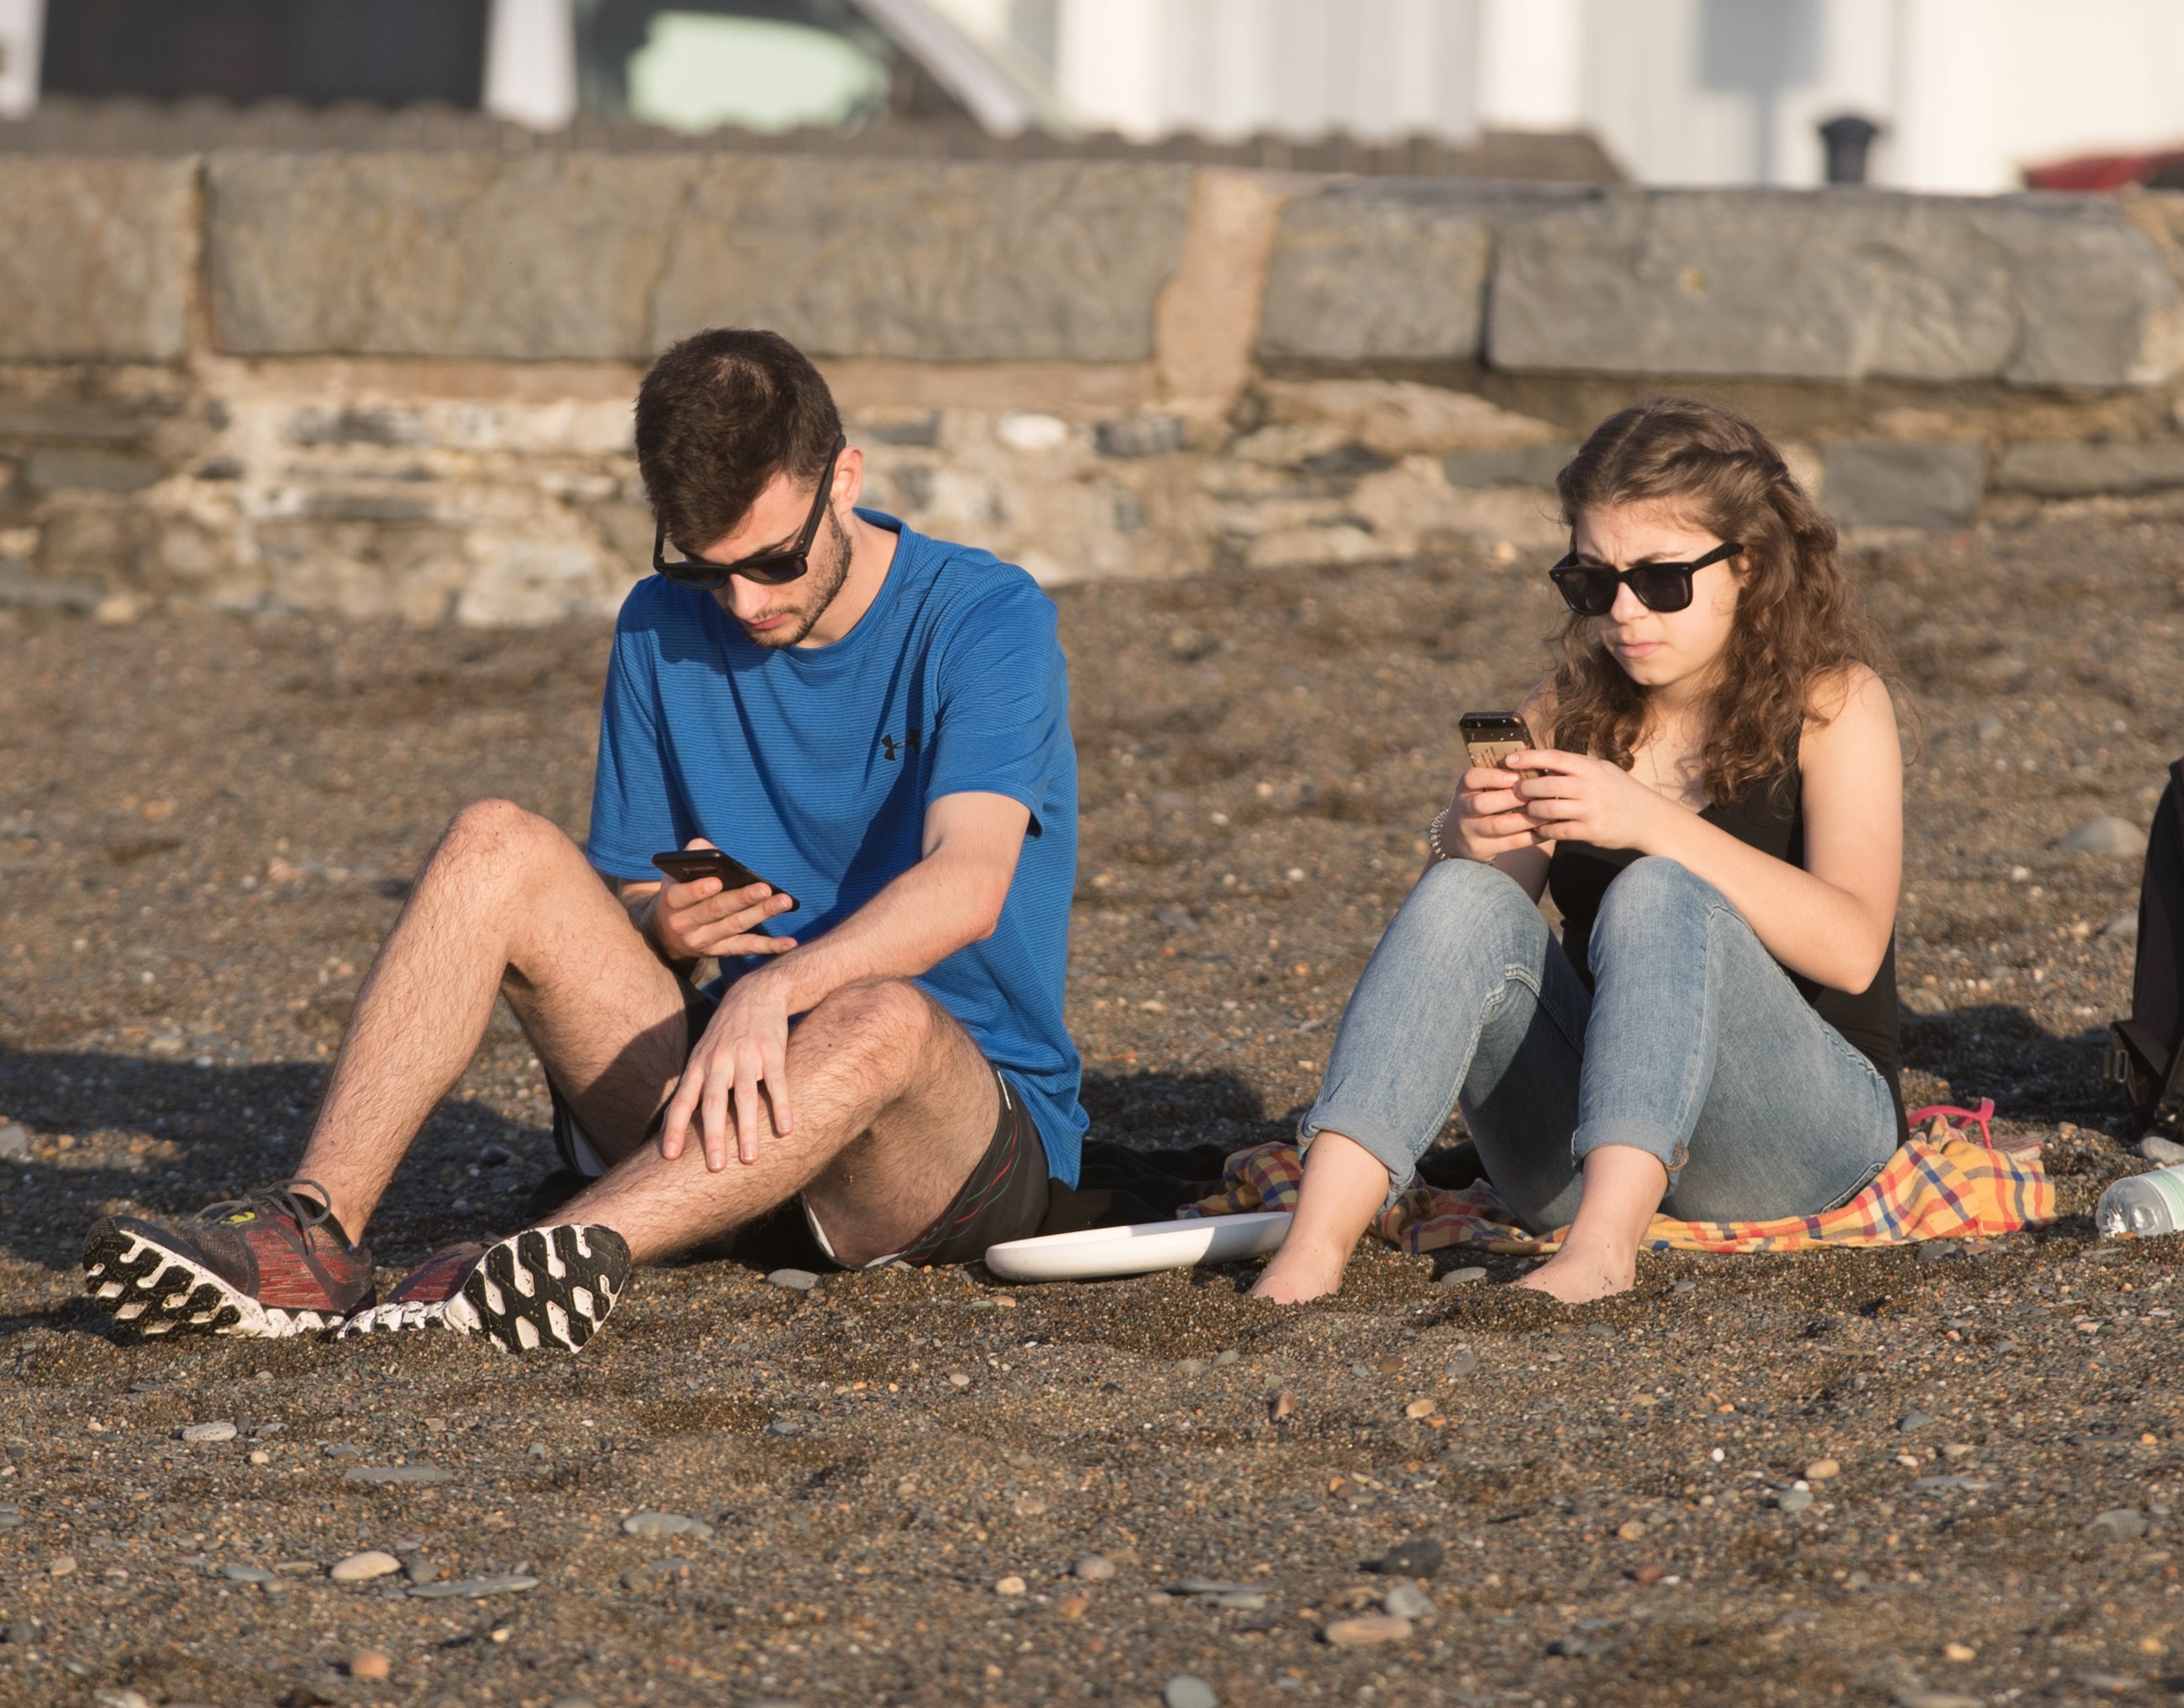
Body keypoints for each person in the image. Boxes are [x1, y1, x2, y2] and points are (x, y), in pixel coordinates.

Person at [82, 328, 1084, 1352]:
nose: (747, 603)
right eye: (708, 571)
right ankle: (315, 1231)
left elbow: (969, 883)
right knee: (493, 841)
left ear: (847, 477)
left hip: (939, 1138)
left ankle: (534, 1259)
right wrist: (667, 925)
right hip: (713, 1114)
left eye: (775, 560)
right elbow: (623, 905)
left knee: (881, 1016)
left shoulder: (985, 617)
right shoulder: (656, 623)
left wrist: (772, 989)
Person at [1251, 398, 1906, 1306]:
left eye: (1662, 579)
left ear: (1749, 565)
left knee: (1659, 890)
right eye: (1594, 582)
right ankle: (1312, 1251)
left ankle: (1604, 1251)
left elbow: (1854, 945)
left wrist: (1648, 820)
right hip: (1583, 1141)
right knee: (1462, 895)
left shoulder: (1836, 702)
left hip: (1800, 1137)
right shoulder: (1568, 710)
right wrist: (1465, 838)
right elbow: (1478, 934)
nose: (1626, 612)